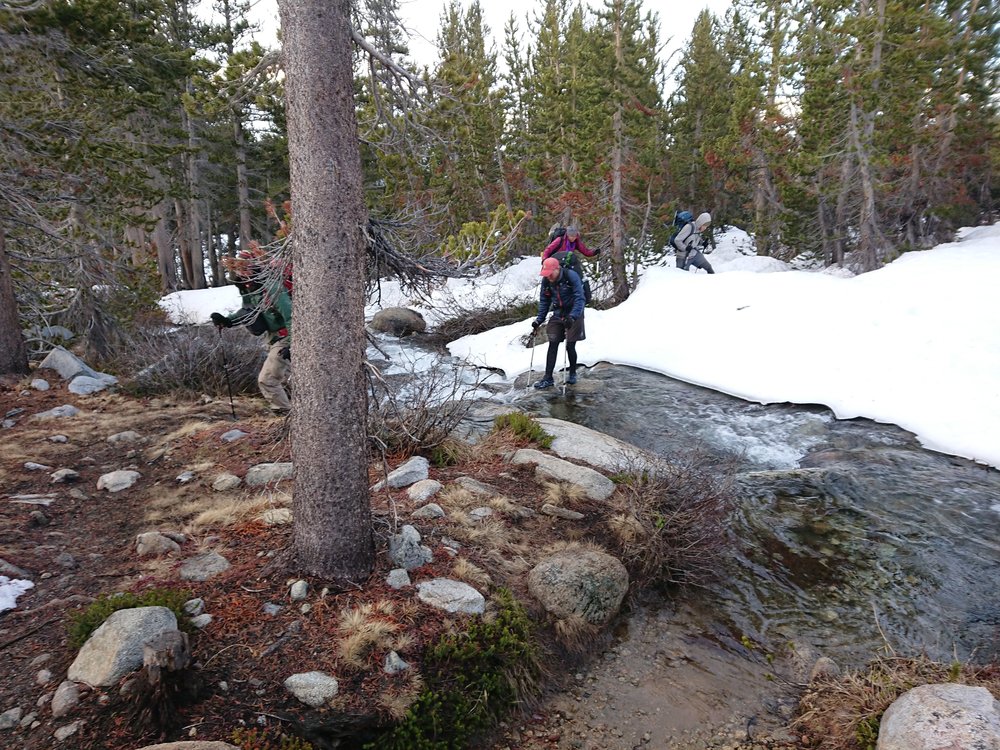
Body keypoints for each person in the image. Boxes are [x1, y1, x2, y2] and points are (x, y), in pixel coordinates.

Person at [210, 252, 293, 414]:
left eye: (246, 268)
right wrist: (227, 321)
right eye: (239, 269)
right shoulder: (251, 288)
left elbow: (291, 314)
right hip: (273, 339)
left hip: (285, 338)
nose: (243, 273)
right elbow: (249, 312)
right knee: (286, 379)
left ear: (255, 266)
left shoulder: (271, 286)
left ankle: (285, 416)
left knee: (267, 380)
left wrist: (292, 344)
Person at [531, 256, 586, 389]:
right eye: (546, 274)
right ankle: (548, 378)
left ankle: (572, 373)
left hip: (574, 313)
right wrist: (539, 319)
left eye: (550, 273)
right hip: (558, 313)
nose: (548, 276)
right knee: (553, 343)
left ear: (557, 269)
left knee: (570, 345)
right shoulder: (546, 281)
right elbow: (544, 301)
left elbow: (580, 298)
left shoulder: (571, 276)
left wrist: (572, 317)